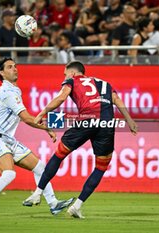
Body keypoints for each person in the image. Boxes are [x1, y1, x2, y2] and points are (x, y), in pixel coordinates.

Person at [23, 60, 138, 218]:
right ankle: (77, 206)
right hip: (106, 123)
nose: (64, 76)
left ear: (72, 73)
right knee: (101, 167)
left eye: (65, 73)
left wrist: (41, 114)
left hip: (86, 119)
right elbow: (117, 101)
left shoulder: (72, 80)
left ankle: (37, 193)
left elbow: (61, 97)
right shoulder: (104, 83)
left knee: (59, 154)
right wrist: (130, 121)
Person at [0, 57, 74, 217]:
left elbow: (26, 118)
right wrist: (46, 127)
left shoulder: (14, 90)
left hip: (8, 140)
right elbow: (26, 118)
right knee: (9, 174)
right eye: (10, 67)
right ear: (2, 73)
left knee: (40, 168)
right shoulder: (7, 92)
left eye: (15, 66)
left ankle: (54, 204)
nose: (15, 69)